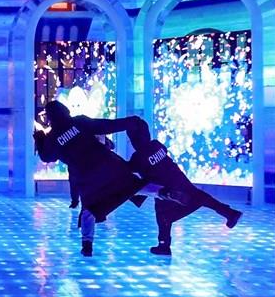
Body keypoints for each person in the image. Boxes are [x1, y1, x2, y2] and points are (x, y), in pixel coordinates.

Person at [34, 101, 157, 257]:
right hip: (107, 164)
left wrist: (40, 140)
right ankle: (164, 193)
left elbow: (47, 157)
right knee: (132, 185)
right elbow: (106, 126)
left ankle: (87, 245)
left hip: (86, 176)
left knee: (89, 209)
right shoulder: (79, 122)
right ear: (65, 110)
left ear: (50, 117)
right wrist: (130, 122)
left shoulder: (52, 138)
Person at [119, 115, 243, 256]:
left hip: (165, 189)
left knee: (164, 216)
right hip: (178, 178)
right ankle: (229, 213)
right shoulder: (157, 144)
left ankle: (164, 246)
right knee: (197, 196)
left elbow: (129, 169)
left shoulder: (138, 157)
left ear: (133, 139)